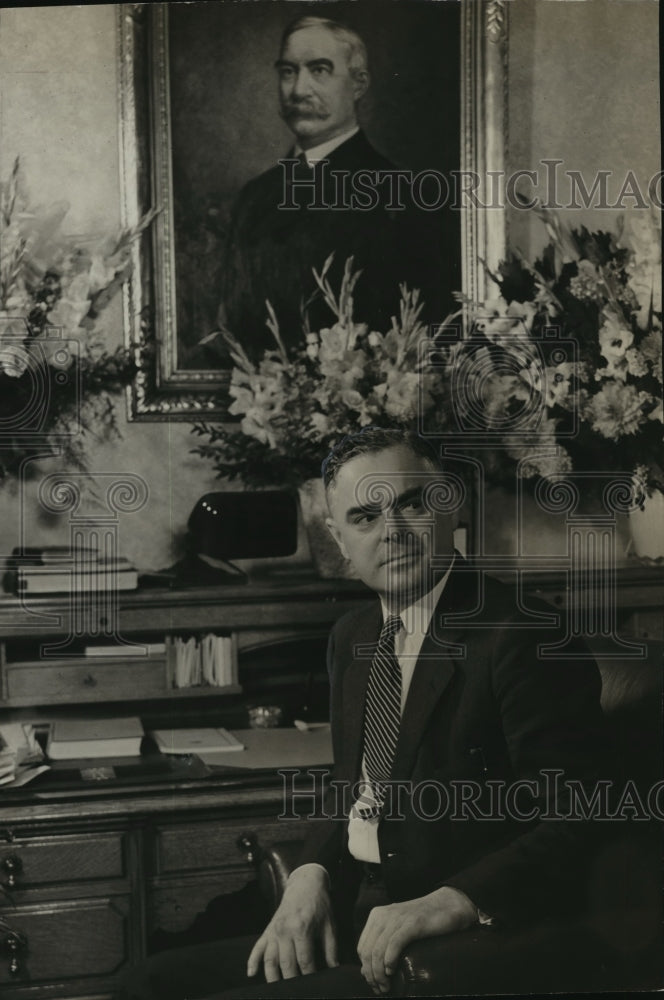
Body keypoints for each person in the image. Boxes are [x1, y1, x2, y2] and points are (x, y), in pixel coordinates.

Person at [122, 427, 614, 999]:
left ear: (450, 504)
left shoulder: (520, 634)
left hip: (446, 946)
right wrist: (310, 875)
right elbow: (353, 789)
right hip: (356, 916)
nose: (394, 533)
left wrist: (452, 902)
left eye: (411, 504)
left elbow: (581, 818)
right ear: (338, 538)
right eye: (365, 517)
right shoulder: (352, 636)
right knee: (150, 983)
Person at [217, 16, 456, 360]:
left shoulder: (404, 196)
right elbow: (232, 326)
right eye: (288, 72)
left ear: (359, 85)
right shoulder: (255, 198)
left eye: (319, 70)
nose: (298, 89)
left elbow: (429, 334)